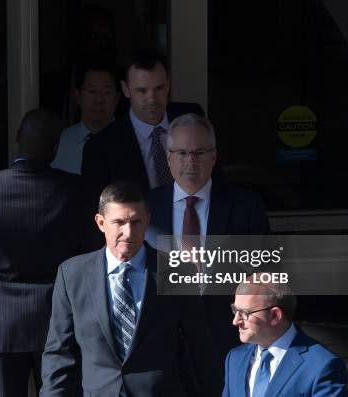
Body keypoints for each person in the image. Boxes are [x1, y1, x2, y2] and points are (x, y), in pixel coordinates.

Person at [0, 109, 98, 397]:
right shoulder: (77, 191)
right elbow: (91, 257)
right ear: (55, 148)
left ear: (17, 139)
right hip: (58, 321)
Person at [40, 181, 221, 397]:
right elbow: (59, 354)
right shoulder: (72, 275)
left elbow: (199, 347)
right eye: (119, 222)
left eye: (136, 222)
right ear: (100, 222)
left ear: (148, 221)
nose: (128, 232)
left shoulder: (176, 271)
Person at [146, 113, 271, 364]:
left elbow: (265, 272)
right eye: (182, 153)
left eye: (199, 153)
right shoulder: (145, 208)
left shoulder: (245, 206)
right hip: (163, 342)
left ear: (213, 156)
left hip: (228, 339)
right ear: (169, 158)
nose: (190, 161)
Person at [81, 50, 204, 193]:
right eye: (142, 91)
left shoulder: (191, 118)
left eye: (159, 88)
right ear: (126, 89)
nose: (152, 99)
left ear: (168, 84)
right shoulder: (101, 147)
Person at [222, 273, 348, 397]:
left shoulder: (321, 366)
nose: (235, 321)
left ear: (275, 316)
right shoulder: (235, 358)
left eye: (245, 313)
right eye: (235, 310)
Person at [51, 63, 120, 174]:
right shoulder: (61, 141)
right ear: (78, 96)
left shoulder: (131, 139)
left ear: (117, 98)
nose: (99, 100)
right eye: (92, 91)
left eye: (107, 92)